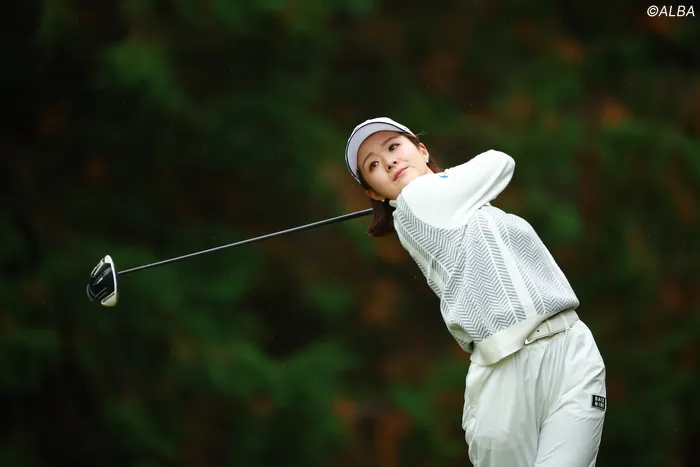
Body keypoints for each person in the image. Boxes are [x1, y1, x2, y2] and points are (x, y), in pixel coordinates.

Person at [344, 117, 607, 467]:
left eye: (393, 147)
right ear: (375, 193)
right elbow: (499, 161)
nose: (389, 161)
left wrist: (439, 177)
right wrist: (435, 175)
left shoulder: (467, 204)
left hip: (572, 350)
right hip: (506, 368)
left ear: (422, 150)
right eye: (373, 165)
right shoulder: (416, 201)